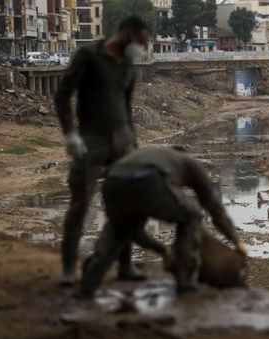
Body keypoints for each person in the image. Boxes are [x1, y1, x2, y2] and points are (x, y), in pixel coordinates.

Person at [54, 17, 150, 286]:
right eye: (140, 43)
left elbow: (126, 107)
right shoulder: (88, 56)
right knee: (80, 203)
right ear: (126, 34)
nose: (140, 49)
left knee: (126, 205)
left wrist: (133, 142)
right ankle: (70, 269)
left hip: (122, 140)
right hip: (91, 139)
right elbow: (63, 94)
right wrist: (70, 134)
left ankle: (125, 266)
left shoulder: (129, 66)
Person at [80, 147, 245, 297]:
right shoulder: (189, 163)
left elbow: (135, 233)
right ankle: (185, 281)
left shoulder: (158, 155)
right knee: (192, 214)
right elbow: (213, 206)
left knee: (119, 228)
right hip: (149, 179)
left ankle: (88, 285)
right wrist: (236, 240)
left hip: (112, 181)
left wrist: (163, 250)